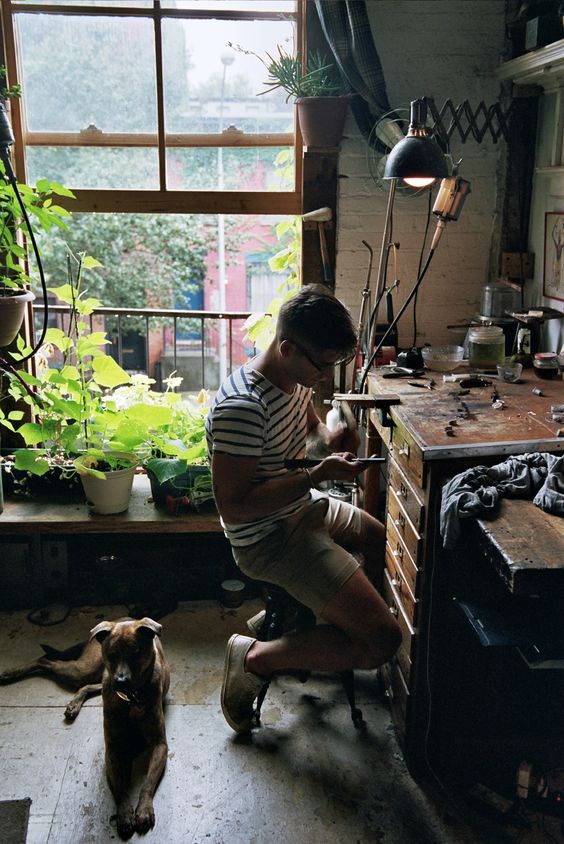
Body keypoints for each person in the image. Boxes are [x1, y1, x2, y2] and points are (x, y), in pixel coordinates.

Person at [206, 284, 402, 733]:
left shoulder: (293, 379)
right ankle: (256, 656)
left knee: (379, 539)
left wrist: (332, 439)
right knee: (383, 640)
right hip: (269, 539)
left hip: (302, 508)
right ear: (287, 348)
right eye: (322, 364)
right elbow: (234, 507)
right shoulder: (243, 407)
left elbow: (311, 429)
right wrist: (317, 476)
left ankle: (310, 620)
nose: (326, 374)